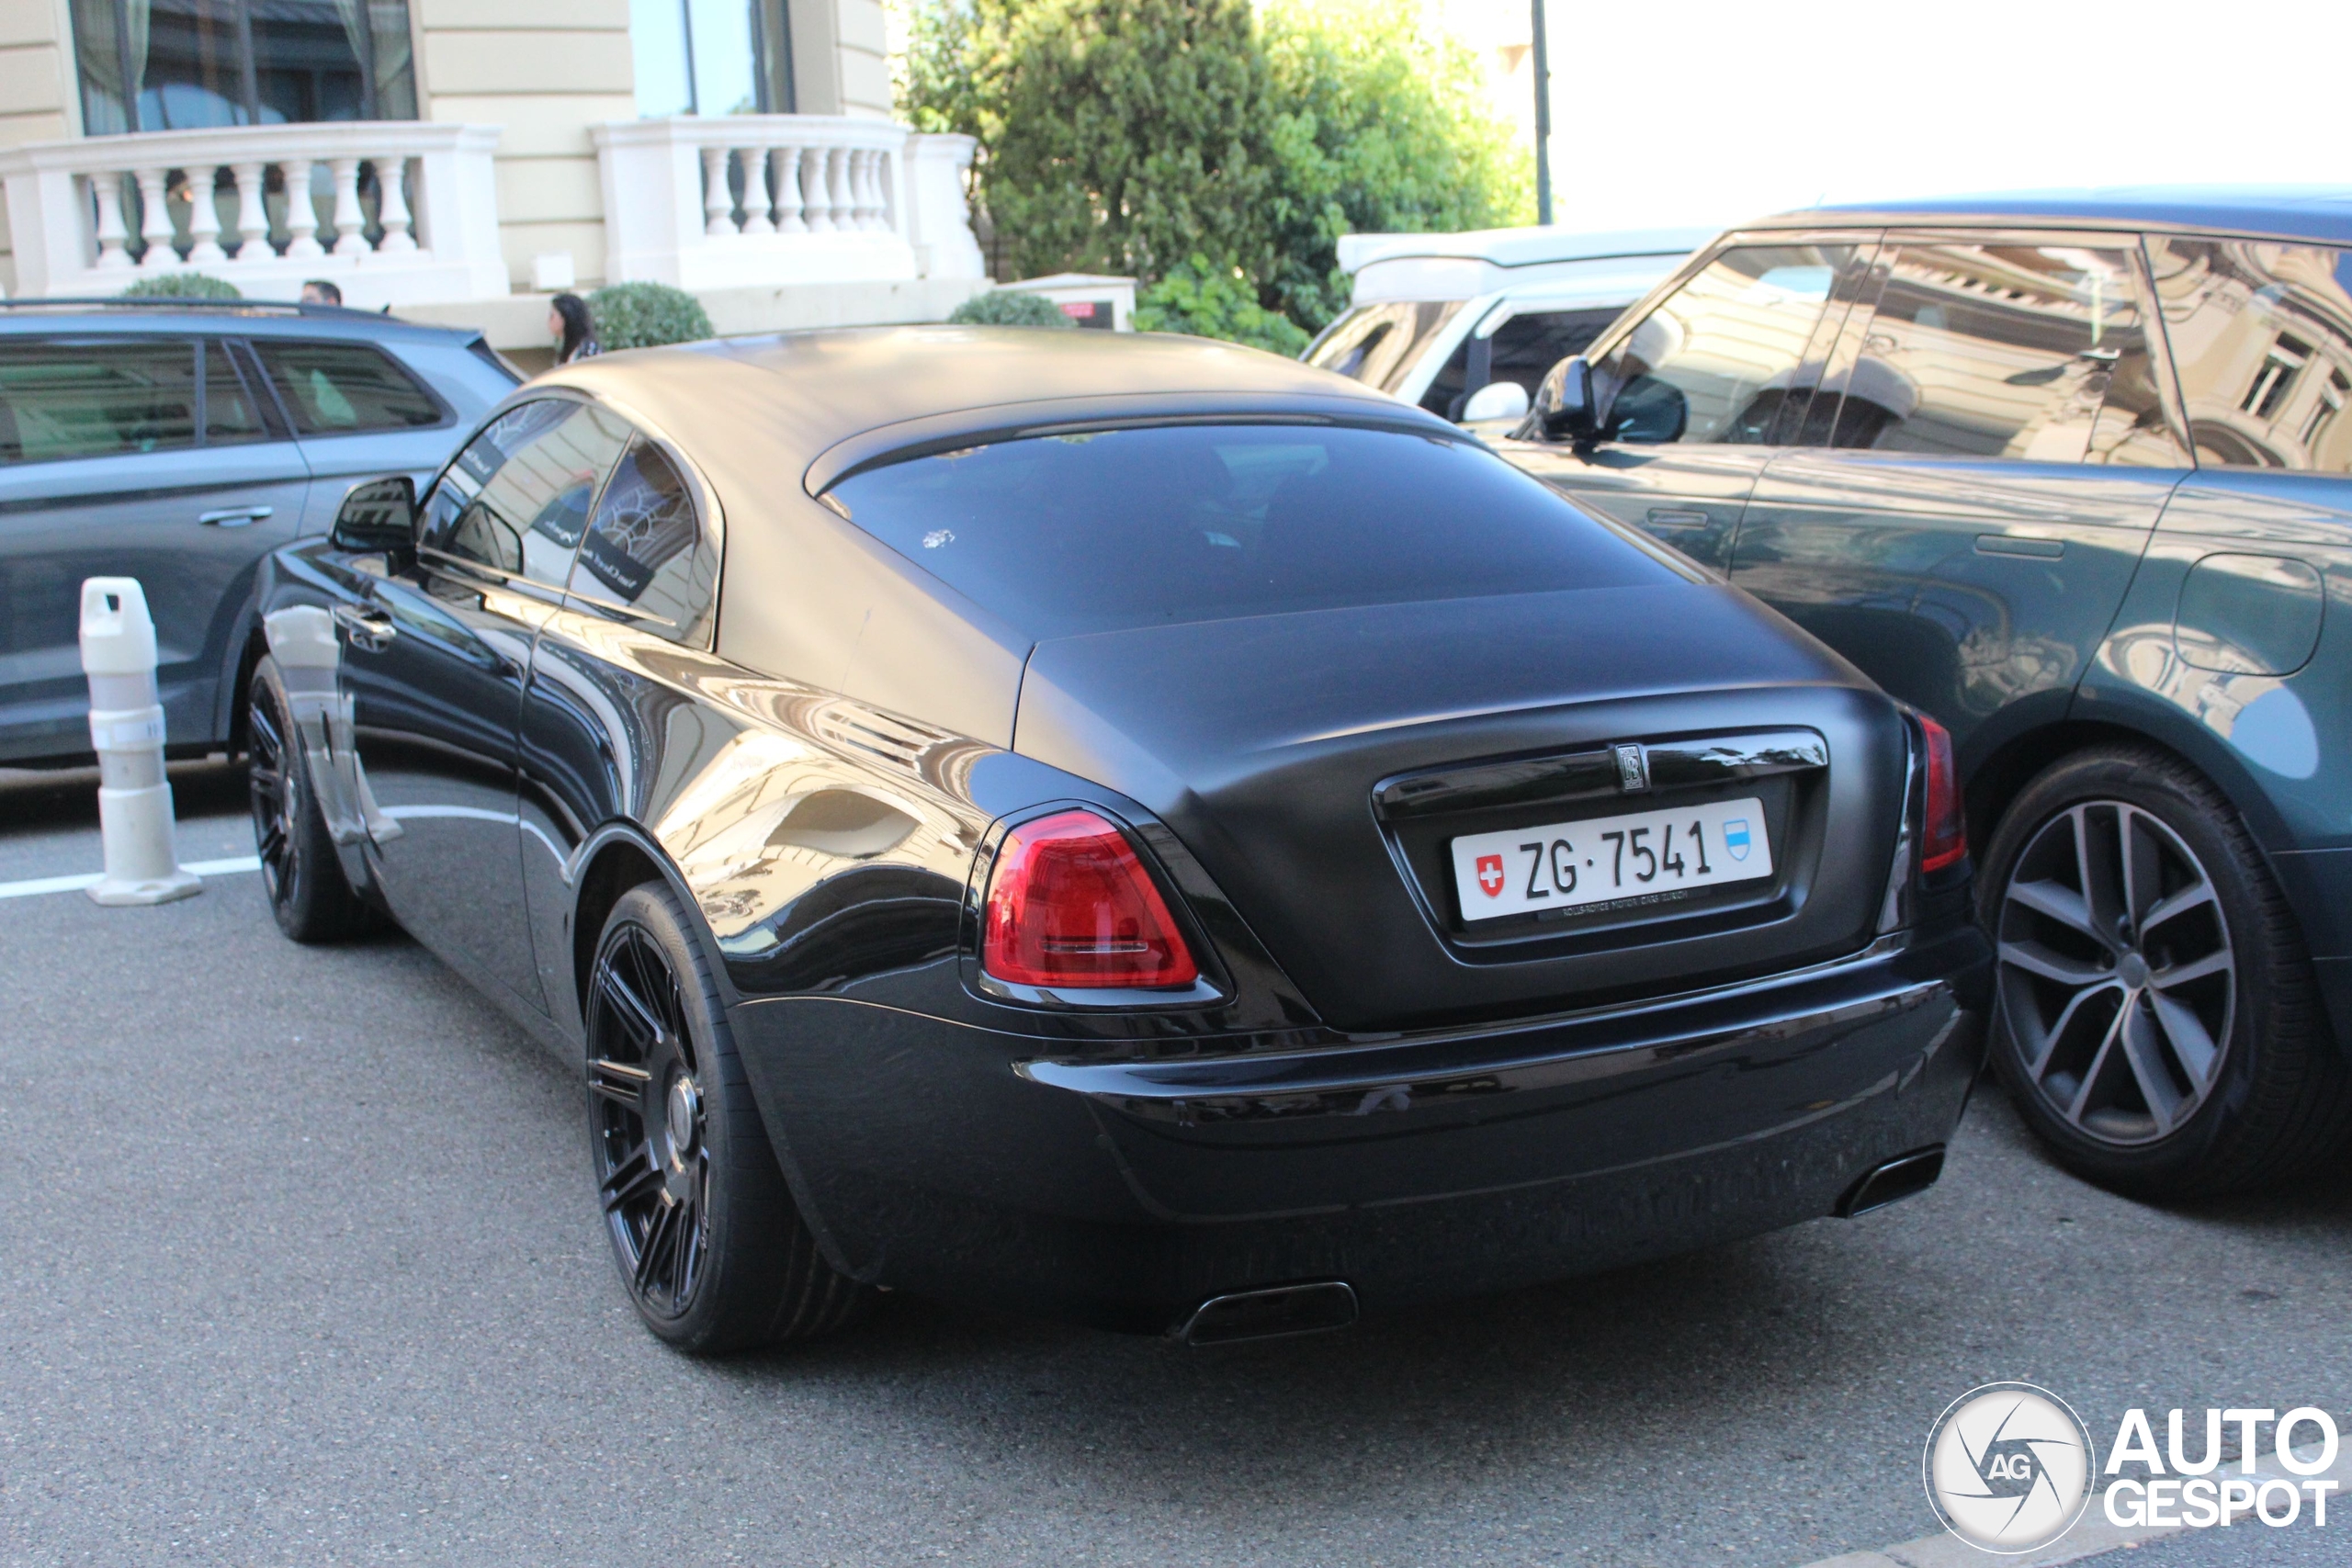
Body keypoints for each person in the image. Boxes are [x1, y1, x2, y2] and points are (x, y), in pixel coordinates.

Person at [550, 294, 600, 365]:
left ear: (565, 317)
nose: (549, 321)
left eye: (552, 316)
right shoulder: (566, 350)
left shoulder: (588, 350)